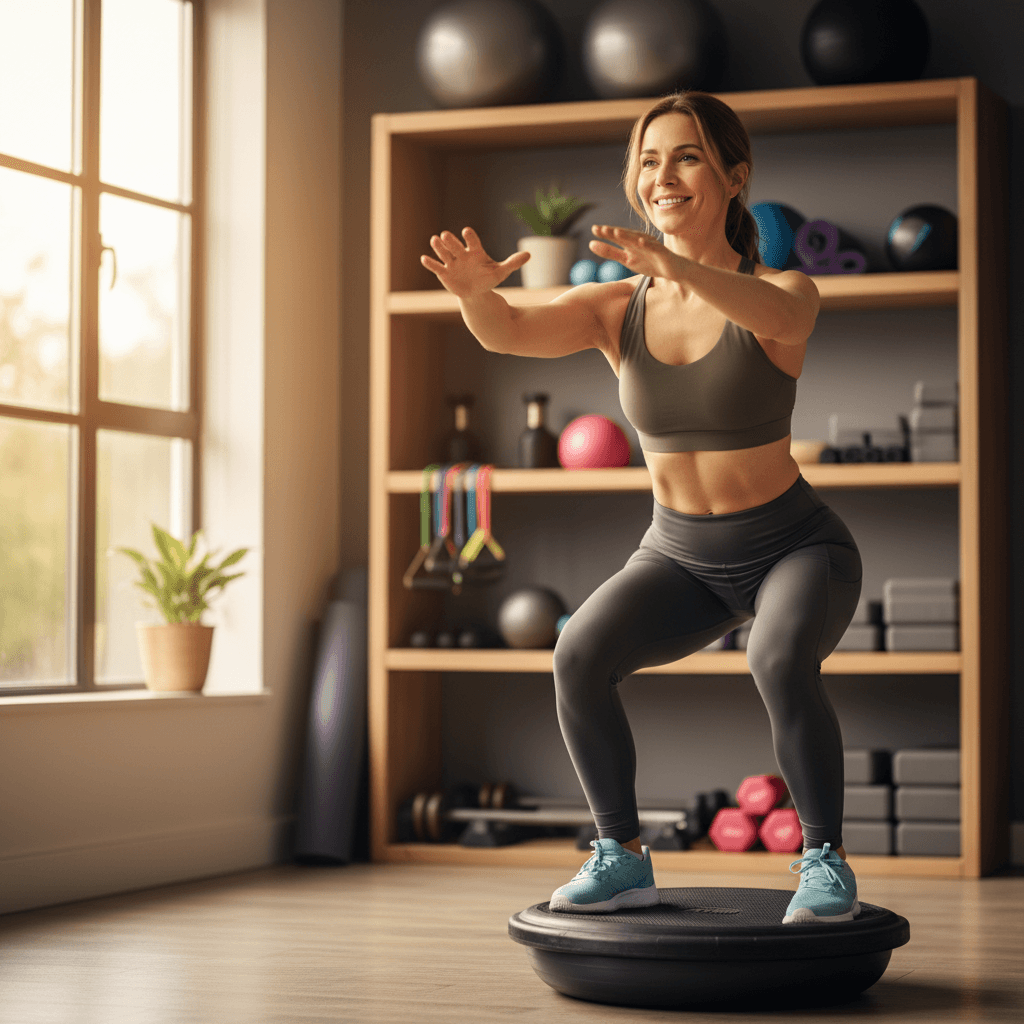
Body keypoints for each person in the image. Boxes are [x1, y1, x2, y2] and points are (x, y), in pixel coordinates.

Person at [420, 91, 862, 925]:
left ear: (735, 177)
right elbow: (505, 332)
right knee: (576, 654)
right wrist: (476, 293)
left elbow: (788, 315)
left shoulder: (780, 289)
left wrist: (684, 269)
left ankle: (824, 861)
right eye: (650, 160)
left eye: (688, 155)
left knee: (774, 658)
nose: (665, 175)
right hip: (678, 556)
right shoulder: (616, 307)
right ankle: (621, 856)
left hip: (796, 548)